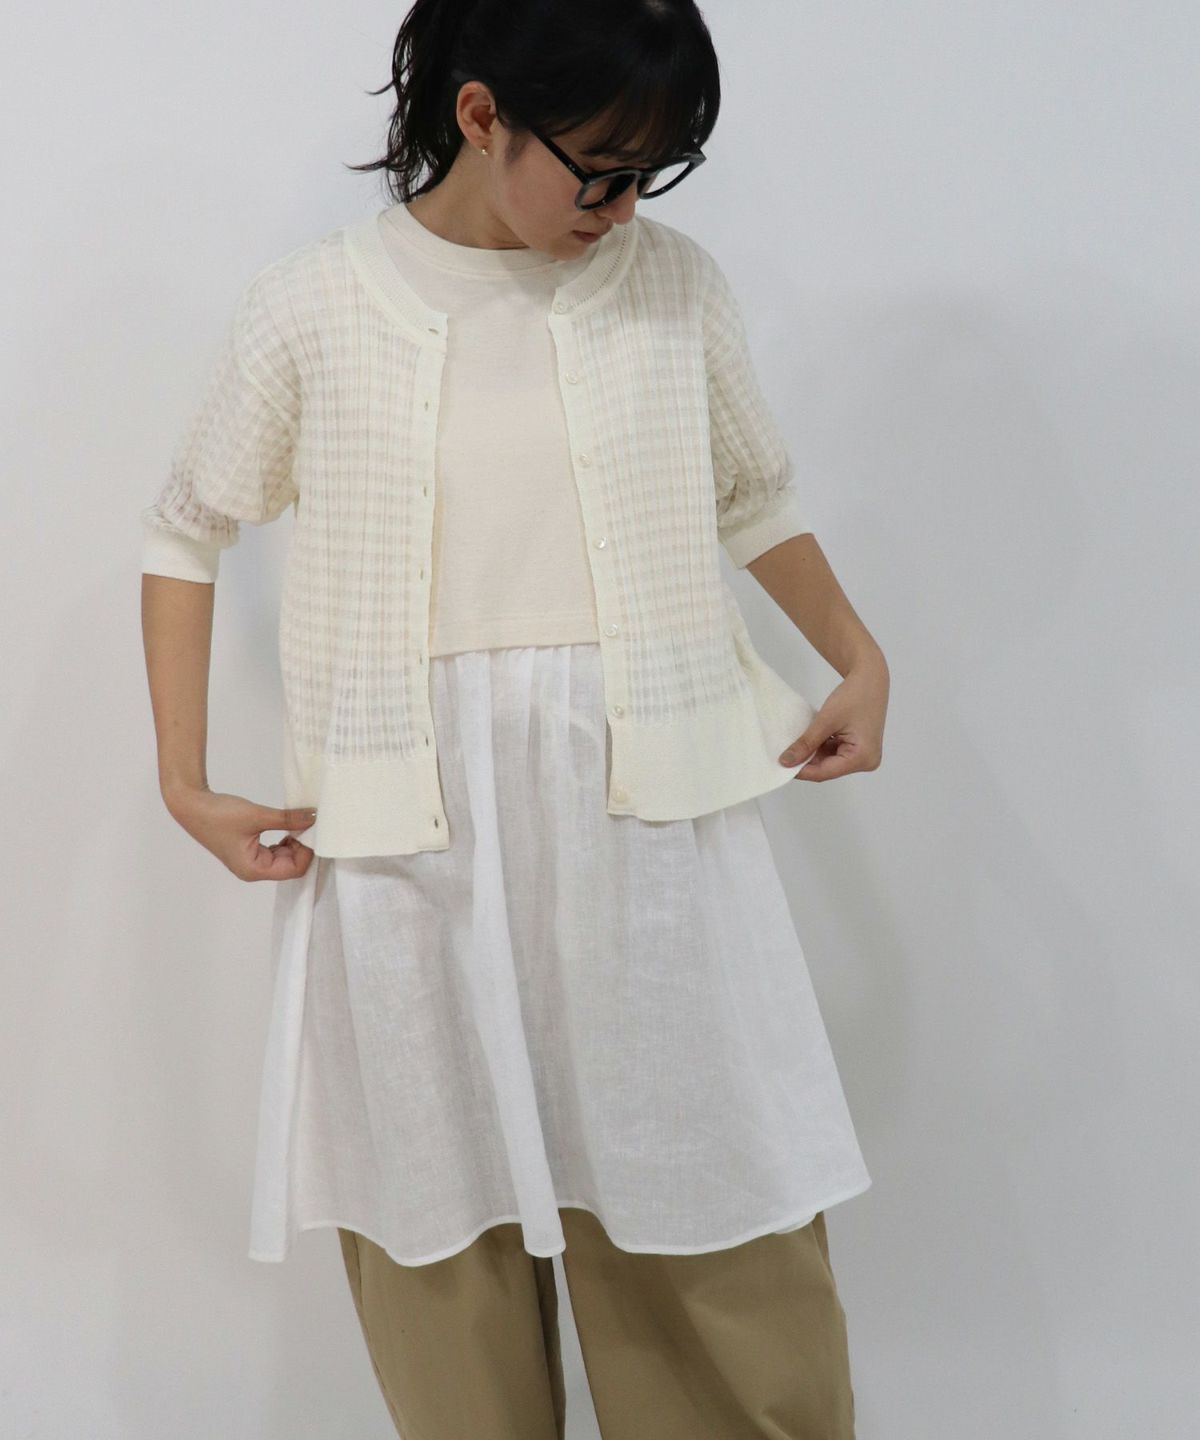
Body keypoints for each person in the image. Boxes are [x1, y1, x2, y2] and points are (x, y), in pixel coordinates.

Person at [140, 1, 890, 1435]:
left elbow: (751, 495)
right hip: (407, 867)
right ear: (481, 115)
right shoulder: (313, 308)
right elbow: (186, 529)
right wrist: (185, 779)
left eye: (654, 172)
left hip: (648, 853)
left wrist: (859, 656)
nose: (625, 207)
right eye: (601, 169)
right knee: (445, 1275)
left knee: (720, 1244)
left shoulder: (674, 289)